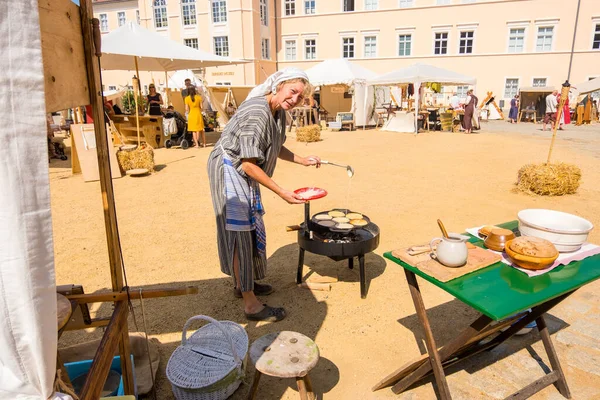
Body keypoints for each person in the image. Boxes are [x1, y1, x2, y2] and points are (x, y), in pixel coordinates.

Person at [207, 68, 321, 322]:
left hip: (241, 169)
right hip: (230, 169)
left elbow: (274, 145)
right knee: (239, 231)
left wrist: (302, 160)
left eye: (300, 97)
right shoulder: (258, 112)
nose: (294, 99)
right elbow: (248, 163)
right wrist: (282, 192)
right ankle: (250, 304)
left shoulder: (277, 111)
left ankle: (243, 283)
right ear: (279, 86)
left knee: (247, 228)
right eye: (292, 92)